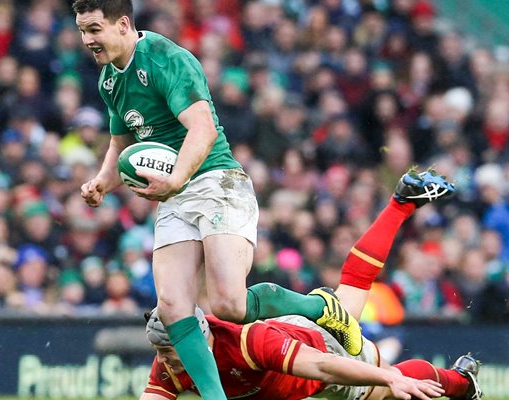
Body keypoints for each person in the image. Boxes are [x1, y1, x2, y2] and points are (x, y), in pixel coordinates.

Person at [73, 1, 363, 398]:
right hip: (174, 193)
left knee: (229, 304)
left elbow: (203, 129)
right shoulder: (109, 80)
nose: (87, 40)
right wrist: (103, 181)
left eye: (93, 30)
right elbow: (121, 141)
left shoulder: (166, 59)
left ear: (122, 24)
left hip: (215, 181)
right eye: (82, 31)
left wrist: (175, 179)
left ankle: (323, 308)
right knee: (172, 306)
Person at [140, 169, 482, 400]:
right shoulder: (172, 354)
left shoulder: (249, 342)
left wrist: (385, 378)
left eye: (173, 355)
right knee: (351, 291)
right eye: (165, 356)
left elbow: (320, 365)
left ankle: (462, 384)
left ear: (203, 337)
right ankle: (400, 203)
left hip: (321, 349)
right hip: (291, 330)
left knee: (386, 387)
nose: (171, 364)